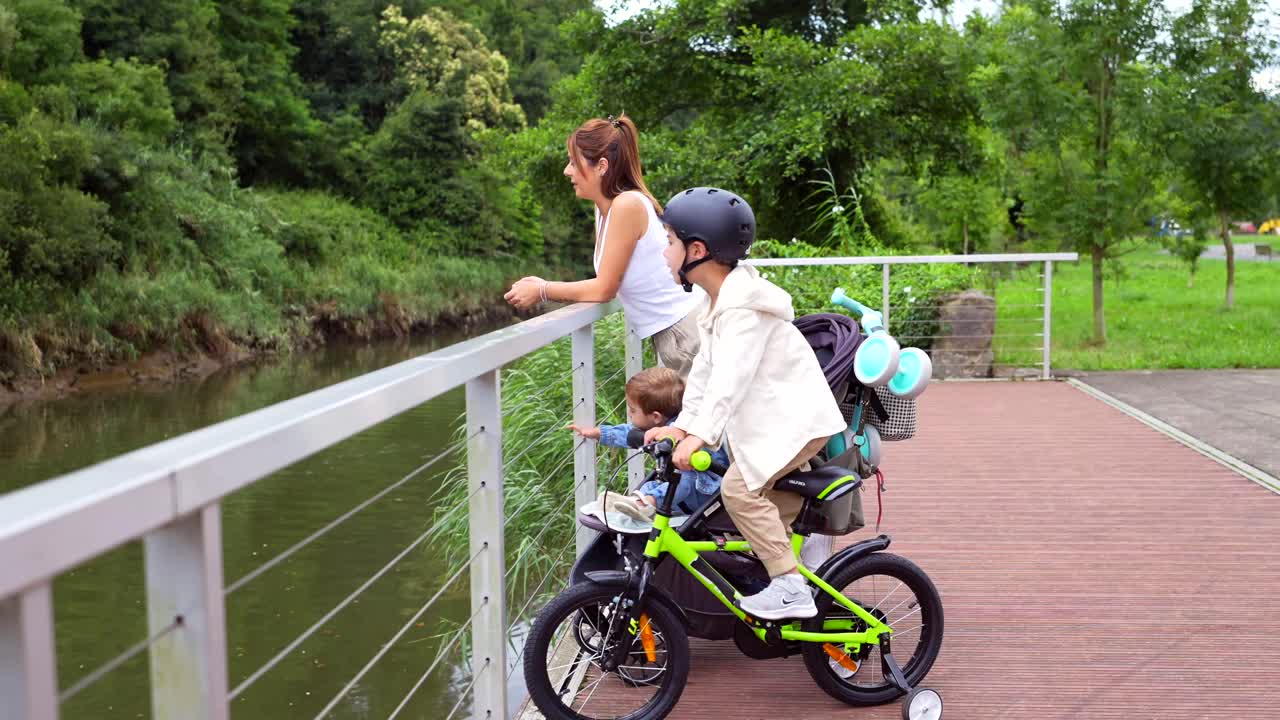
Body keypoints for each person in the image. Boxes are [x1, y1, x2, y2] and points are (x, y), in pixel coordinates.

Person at [644, 187, 845, 621]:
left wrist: (701, 436)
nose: (664, 252)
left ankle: (790, 587)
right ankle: (789, 572)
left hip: (795, 423)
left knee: (737, 490)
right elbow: (704, 373)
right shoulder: (718, 302)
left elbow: (729, 382)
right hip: (776, 422)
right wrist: (682, 426)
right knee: (757, 504)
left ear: (697, 250)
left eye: (670, 241)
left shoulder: (743, 311)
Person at [503, 114, 701, 377]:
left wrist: (542, 290)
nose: (567, 171)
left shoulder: (626, 205)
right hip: (675, 332)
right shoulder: (605, 209)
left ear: (601, 166)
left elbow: (604, 288)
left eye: (573, 162)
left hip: (685, 333)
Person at [567, 367, 728, 522]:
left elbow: (711, 463)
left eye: (632, 410)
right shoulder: (658, 429)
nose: (629, 413)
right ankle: (636, 504)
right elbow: (629, 434)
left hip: (705, 492)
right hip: (683, 495)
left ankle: (644, 504)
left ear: (656, 417)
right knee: (651, 486)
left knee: (683, 481)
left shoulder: (684, 431)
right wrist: (598, 433)